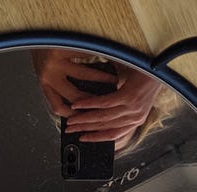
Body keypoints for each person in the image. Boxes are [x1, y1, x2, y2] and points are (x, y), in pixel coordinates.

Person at [31, 48, 179, 156]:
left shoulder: (58, 58)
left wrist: (42, 45)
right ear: (145, 110)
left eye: (88, 116)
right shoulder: (177, 76)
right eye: (119, 120)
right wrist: (156, 72)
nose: (104, 113)